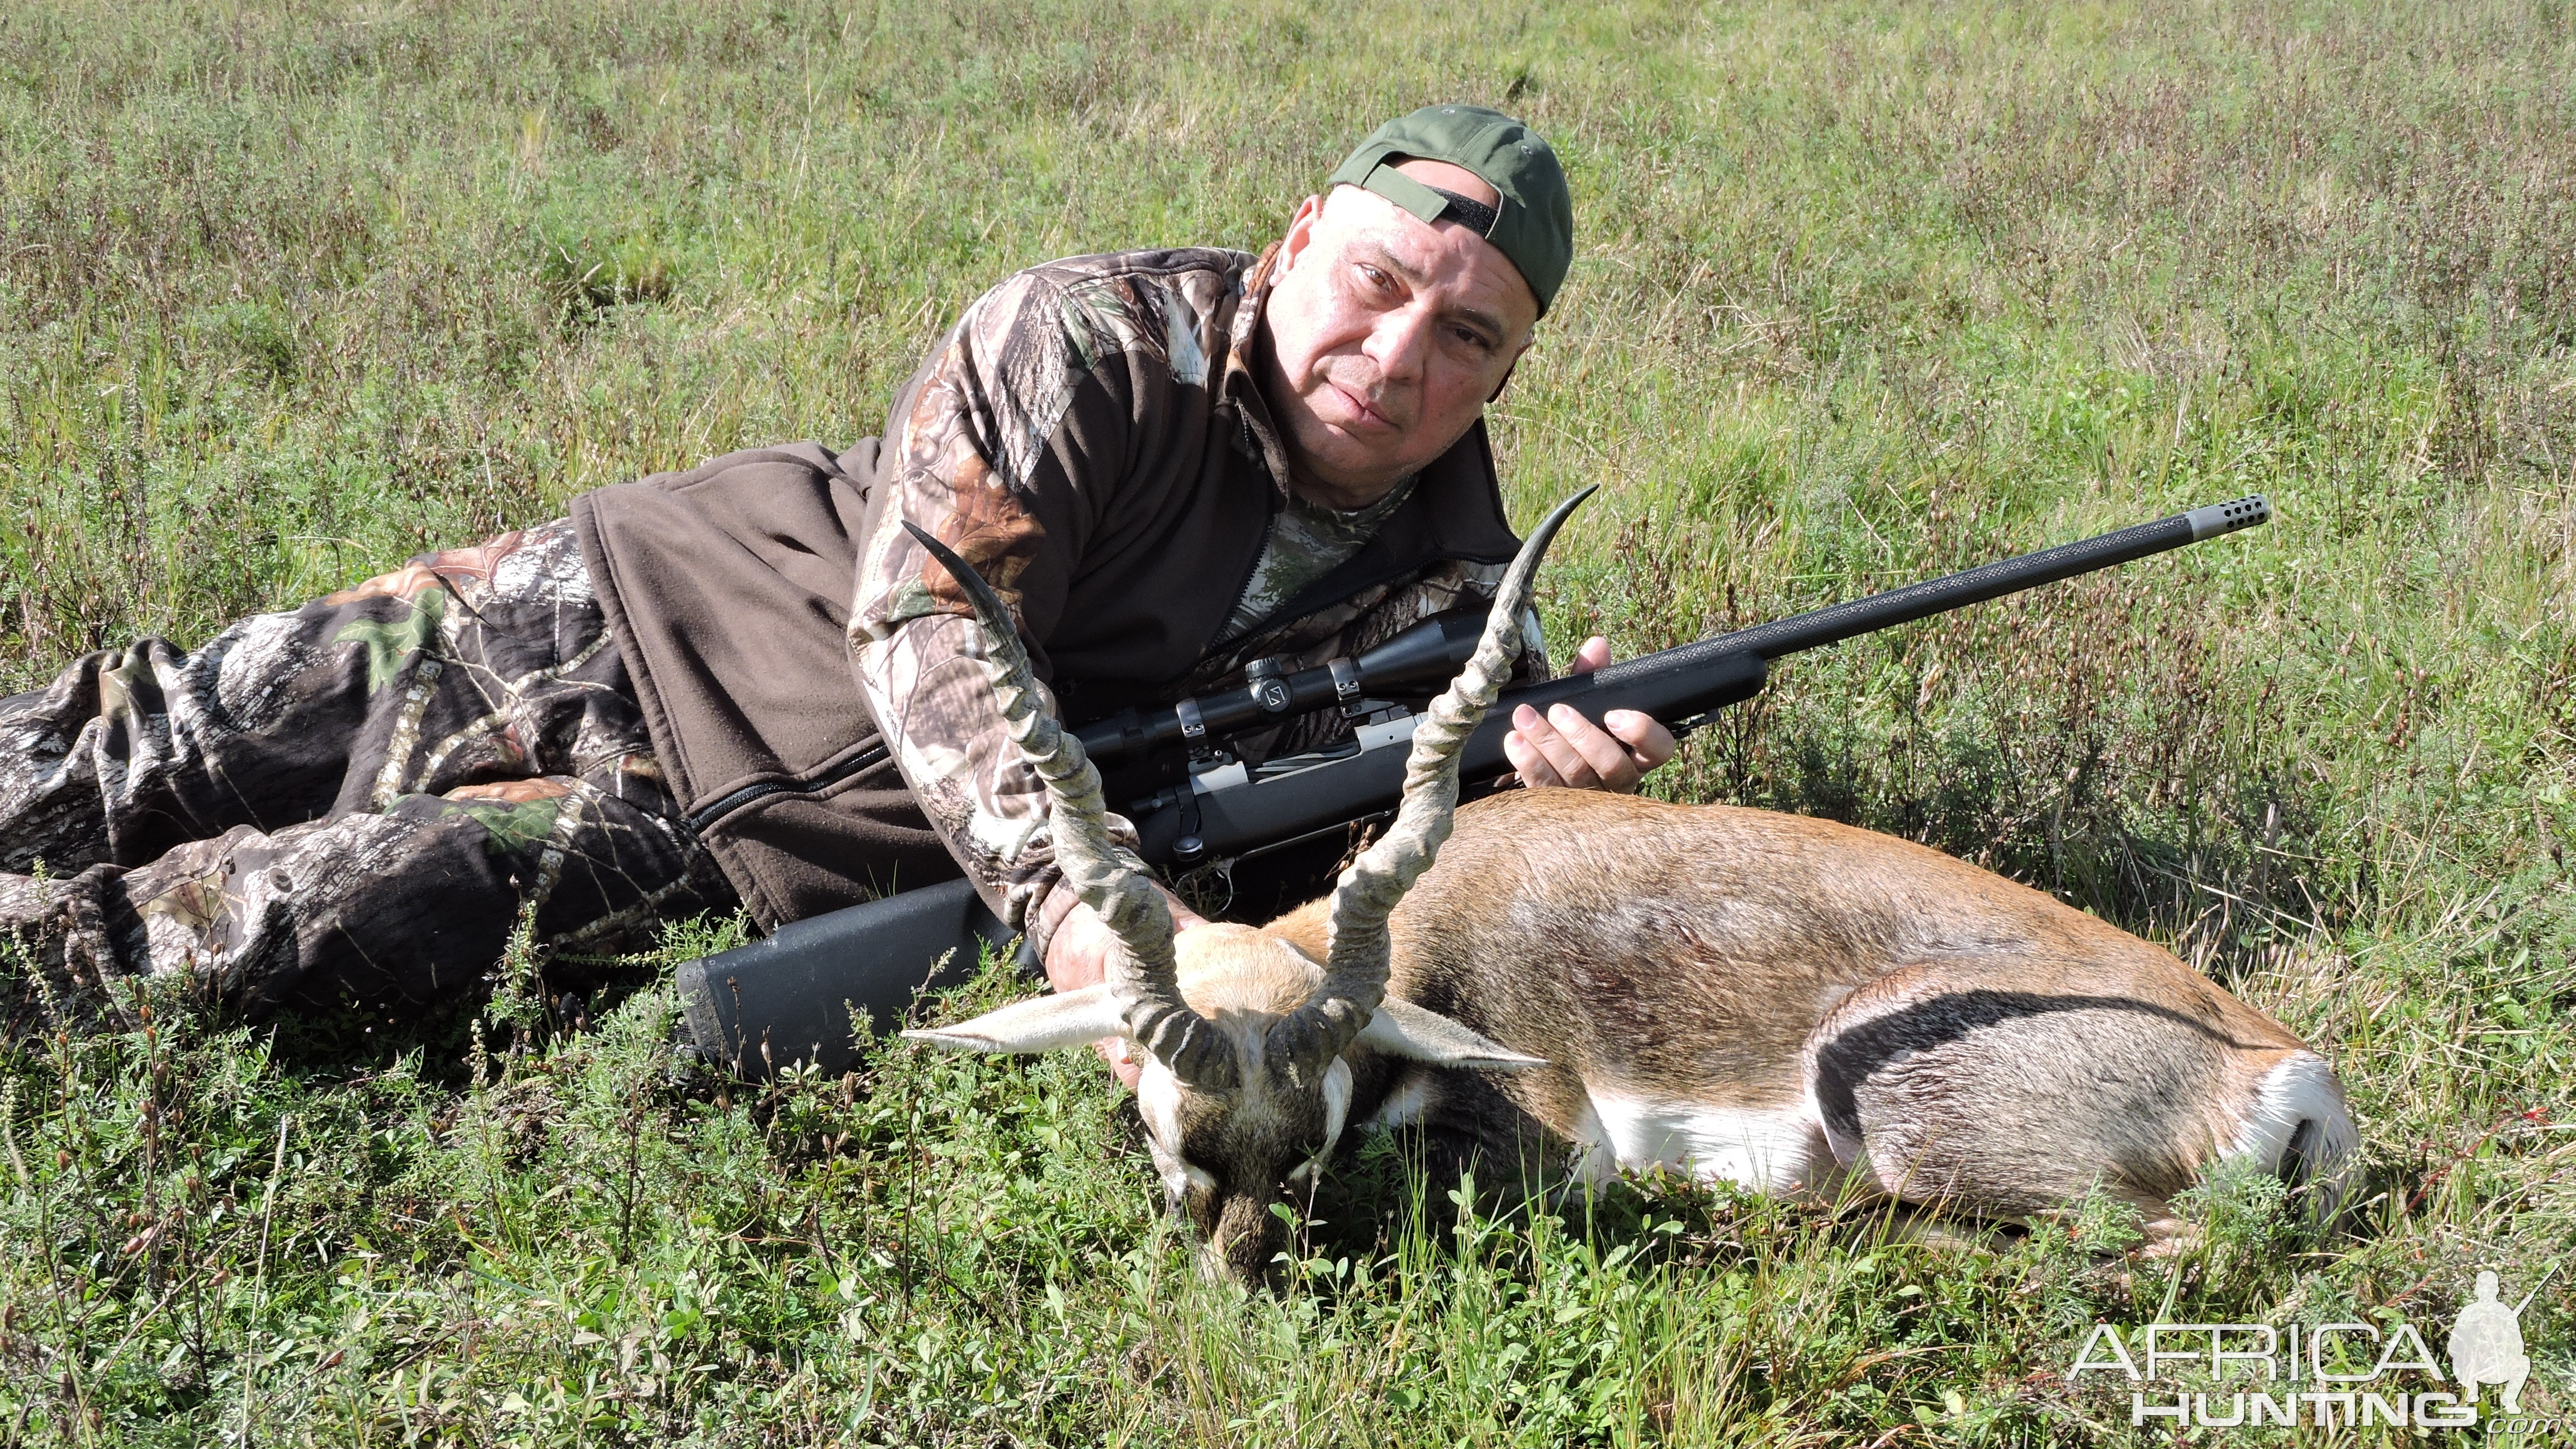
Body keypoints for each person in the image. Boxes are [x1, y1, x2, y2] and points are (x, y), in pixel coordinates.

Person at [0, 105, 1674, 1048]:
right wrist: (1079, 911)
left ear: (1513, 367)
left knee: (253, 932)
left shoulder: (1465, 609)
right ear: (1301, 236)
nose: (1391, 358)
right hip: (619, 600)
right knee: (141, 743)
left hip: (754, 836)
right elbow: (933, 613)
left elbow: (1338, 901)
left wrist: (1527, 799)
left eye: (1467, 335)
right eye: (1376, 282)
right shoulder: (1093, 336)